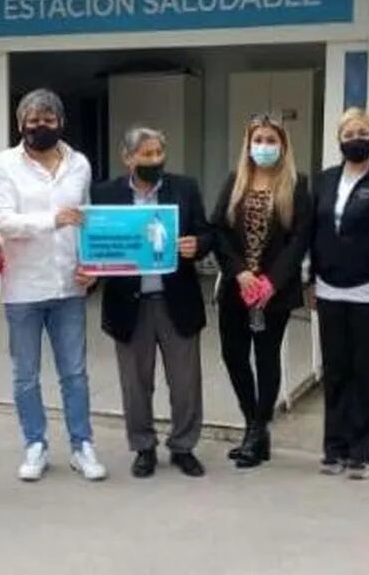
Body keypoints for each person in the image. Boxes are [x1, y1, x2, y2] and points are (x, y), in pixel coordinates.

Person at [0, 89, 106, 483]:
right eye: (33, 119)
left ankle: (81, 445)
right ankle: (34, 444)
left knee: (74, 373)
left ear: (61, 123)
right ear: (20, 124)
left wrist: (92, 267)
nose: (41, 126)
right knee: (26, 374)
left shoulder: (80, 164)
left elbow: (85, 220)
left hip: (69, 287)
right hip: (23, 287)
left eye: (48, 119)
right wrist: (52, 220)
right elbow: (3, 221)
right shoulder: (3, 165)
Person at [92, 127, 213, 479]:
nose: (154, 161)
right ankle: (143, 447)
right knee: (135, 382)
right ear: (127, 158)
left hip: (177, 299)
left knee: (186, 381)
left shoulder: (185, 188)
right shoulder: (105, 193)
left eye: (159, 153)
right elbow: (97, 243)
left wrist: (198, 244)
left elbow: (207, 232)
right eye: (146, 155)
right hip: (129, 304)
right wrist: (90, 268)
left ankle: (183, 446)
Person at [212, 115, 311, 469]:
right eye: (259, 139)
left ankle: (256, 432)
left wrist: (272, 281)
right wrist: (238, 272)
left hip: (274, 293)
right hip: (237, 289)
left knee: (267, 360)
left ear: (283, 145)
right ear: (248, 143)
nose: (264, 146)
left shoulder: (297, 184)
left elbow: (300, 239)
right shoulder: (235, 181)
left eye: (271, 140)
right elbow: (218, 231)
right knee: (233, 356)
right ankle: (255, 425)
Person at [310, 108, 369, 480]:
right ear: (339, 139)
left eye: (363, 131)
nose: (356, 138)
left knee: (364, 372)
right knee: (335, 371)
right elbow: (311, 230)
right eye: (349, 133)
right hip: (329, 288)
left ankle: (362, 450)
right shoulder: (325, 179)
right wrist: (308, 278)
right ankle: (334, 447)